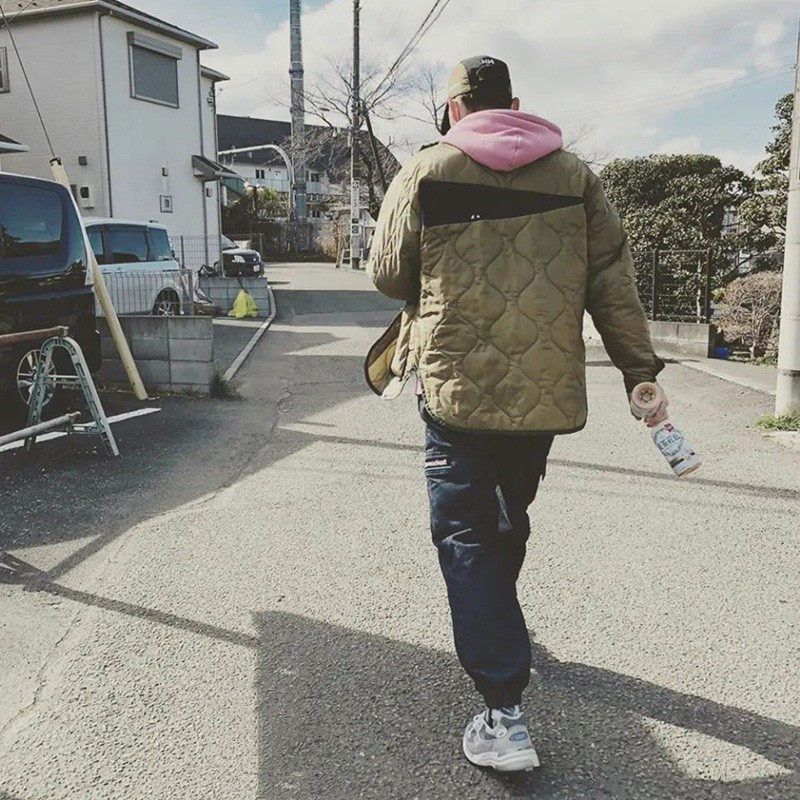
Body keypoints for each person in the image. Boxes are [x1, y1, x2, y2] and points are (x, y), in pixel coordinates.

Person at [367, 55, 667, 772]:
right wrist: (640, 373)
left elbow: (388, 276)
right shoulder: (575, 177)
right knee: (505, 516)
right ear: (515, 103)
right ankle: (500, 628)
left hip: (455, 388)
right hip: (542, 394)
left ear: (454, 109)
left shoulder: (426, 171)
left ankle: (503, 710)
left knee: (465, 533)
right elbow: (613, 283)